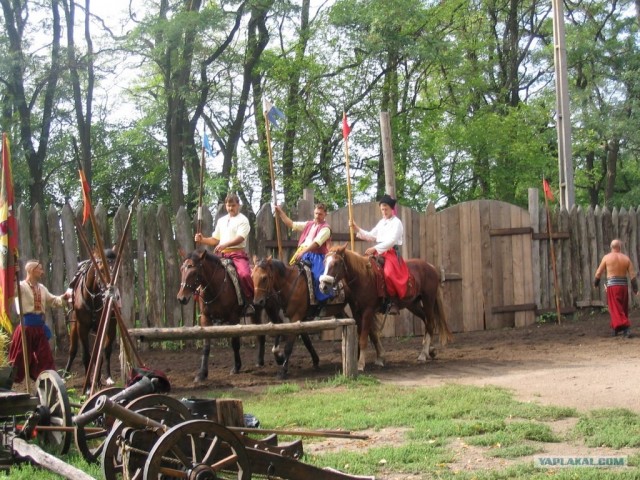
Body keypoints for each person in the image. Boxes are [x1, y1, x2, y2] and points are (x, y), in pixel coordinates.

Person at [8, 260, 70, 383]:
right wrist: (13, 277)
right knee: (18, 358)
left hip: (39, 328)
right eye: (39, 269)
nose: (42, 271)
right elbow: (12, 292)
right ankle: (7, 382)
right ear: (31, 271)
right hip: (26, 328)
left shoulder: (42, 288)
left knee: (45, 356)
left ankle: (48, 382)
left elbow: (54, 300)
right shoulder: (21, 286)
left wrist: (63, 298)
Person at [349, 194, 409, 315]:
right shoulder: (382, 222)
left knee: (388, 274)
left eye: (386, 209)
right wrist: (356, 228)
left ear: (392, 209)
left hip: (390, 252)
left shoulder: (397, 223)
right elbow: (371, 235)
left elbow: (392, 241)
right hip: (378, 252)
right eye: (382, 209)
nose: (384, 211)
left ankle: (392, 301)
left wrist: (375, 247)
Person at [194, 193, 254, 307]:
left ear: (238, 205)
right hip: (220, 255)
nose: (230, 208)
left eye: (233, 205)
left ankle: (249, 301)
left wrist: (225, 244)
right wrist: (203, 239)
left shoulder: (243, 220)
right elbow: (215, 240)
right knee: (203, 271)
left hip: (237, 255)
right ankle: (201, 300)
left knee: (244, 275)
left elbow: (240, 238)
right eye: (228, 205)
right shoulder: (221, 221)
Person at [275, 203, 333, 302]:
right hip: (303, 254)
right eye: (316, 213)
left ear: (325, 214)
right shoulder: (309, 224)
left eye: (320, 214)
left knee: (318, 277)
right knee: (291, 274)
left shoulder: (326, 228)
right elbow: (291, 224)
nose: (317, 216)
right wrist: (280, 212)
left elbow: (316, 243)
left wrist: (302, 252)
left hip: (317, 256)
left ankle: (322, 302)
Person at [594, 238, 638, 337]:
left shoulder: (606, 258)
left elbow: (598, 273)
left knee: (615, 308)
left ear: (611, 247)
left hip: (612, 287)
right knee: (622, 307)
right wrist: (635, 289)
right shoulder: (626, 258)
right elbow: (632, 275)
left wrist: (596, 283)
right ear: (620, 247)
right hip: (623, 287)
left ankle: (626, 327)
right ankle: (615, 328)